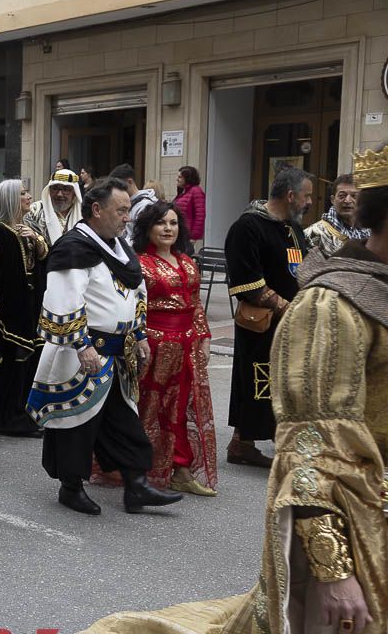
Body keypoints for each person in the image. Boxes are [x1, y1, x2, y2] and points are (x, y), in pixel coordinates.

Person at [58, 146, 388, 634]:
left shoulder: (256, 246)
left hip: (180, 345)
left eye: (171, 222)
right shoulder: (325, 298)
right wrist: (331, 562)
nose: (166, 227)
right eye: (154, 218)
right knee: (131, 424)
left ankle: (148, 473)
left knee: (165, 421)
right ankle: (121, 476)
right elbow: (311, 443)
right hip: (343, 510)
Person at [26, 178, 182, 516]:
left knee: (124, 421)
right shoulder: (73, 247)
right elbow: (64, 299)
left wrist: (139, 334)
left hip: (117, 353)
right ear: (97, 210)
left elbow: (136, 292)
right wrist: (82, 345)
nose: (128, 217)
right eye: (121, 210)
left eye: (128, 210)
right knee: (76, 425)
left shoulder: (118, 246)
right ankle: (71, 488)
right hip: (83, 353)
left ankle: (136, 486)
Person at [224, 167, 312, 467]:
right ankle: (247, 443)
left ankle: (252, 443)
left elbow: (302, 268)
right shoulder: (247, 227)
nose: (310, 201)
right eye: (306, 195)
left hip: (292, 325)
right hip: (261, 326)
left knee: (288, 385)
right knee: (257, 383)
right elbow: (247, 281)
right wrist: (287, 308)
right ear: (290, 195)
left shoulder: (293, 228)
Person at [129, 201, 217, 495]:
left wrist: (203, 337)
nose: (168, 228)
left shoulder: (188, 261)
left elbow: (195, 305)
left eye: (173, 223)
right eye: (161, 223)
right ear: (148, 228)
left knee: (179, 411)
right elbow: (132, 308)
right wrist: (140, 341)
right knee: (148, 409)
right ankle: (137, 470)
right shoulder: (139, 263)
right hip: (153, 346)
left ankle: (180, 469)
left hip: (186, 345)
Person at [0, 179, 47, 437]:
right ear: (10, 199)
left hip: (26, 310)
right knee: (7, 365)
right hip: (5, 312)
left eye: (27, 192)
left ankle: (19, 414)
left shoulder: (25, 229)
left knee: (24, 365)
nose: (28, 197)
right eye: (23, 193)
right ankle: (2, 418)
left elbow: (39, 266)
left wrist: (37, 243)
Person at [304, 173, 364, 257]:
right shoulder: (313, 233)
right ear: (332, 199)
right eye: (342, 196)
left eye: (354, 196)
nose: (347, 200)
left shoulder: (371, 233)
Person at [24, 168, 83, 247]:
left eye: (66, 189)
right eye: (55, 188)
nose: (59, 194)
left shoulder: (84, 214)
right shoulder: (34, 210)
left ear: (75, 193)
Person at [174, 165, 207, 252]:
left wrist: (194, 237)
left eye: (180, 177)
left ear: (187, 178)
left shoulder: (196, 191)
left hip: (187, 235)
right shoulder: (183, 191)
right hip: (180, 233)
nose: (177, 179)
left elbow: (200, 215)